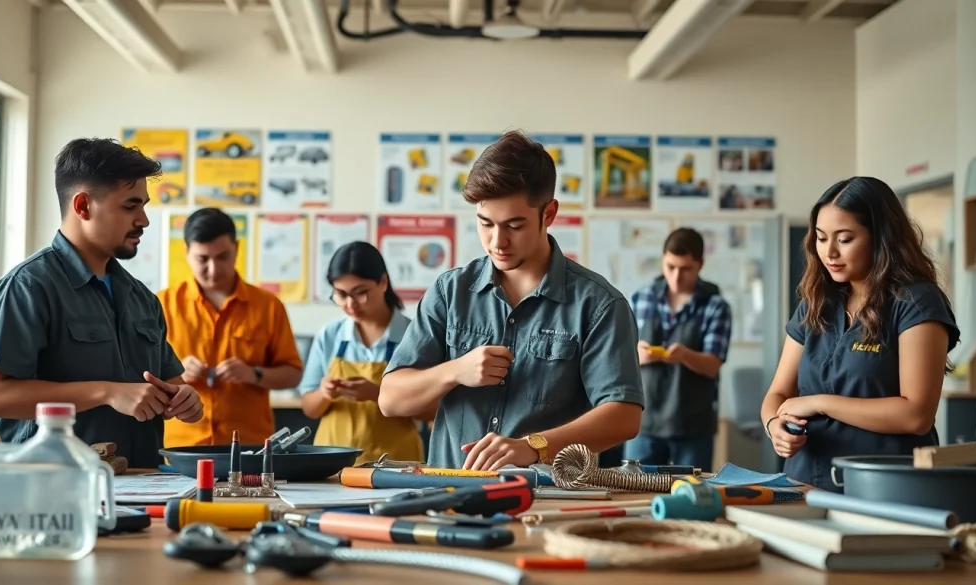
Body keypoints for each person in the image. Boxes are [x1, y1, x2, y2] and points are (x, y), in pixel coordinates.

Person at [378, 130, 645, 470]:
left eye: (514, 226)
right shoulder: (450, 292)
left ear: (549, 214)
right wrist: (455, 371)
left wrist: (534, 447)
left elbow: (624, 416)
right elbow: (390, 399)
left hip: (547, 496)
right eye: (485, 224)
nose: (497, 242)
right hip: (449, 491)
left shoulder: (599, 305)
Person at [0, 138, 204, 469]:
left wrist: (184, 399)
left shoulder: (141, 297)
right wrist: (107, 393)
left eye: (144, 206)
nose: (144, 220)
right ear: (83, 206)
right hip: (58, 487)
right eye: (130, 206)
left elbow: (172, 385)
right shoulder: (28, 287)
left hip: (144, 486)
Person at [760, 176, 959, 492]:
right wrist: (774, 425)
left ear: (881, 238)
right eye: (821, 238)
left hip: (883, 488)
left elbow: (916, 414)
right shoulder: (816, 302)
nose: (829, 252)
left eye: (845, 239)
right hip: (805, 484)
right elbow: (777, 395)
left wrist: (820, 403)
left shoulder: (916, 302)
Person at [157, 208, 304, 448]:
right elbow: (141, 378)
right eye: (202, 259)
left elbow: (293, 374)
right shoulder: (161, 305)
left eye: (223, 257)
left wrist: (254, 374)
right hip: (180, 446)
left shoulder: (268, 306)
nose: (214, 269)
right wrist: (177, 374)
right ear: (187, 253)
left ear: (237, 249)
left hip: (251, 446)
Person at [297, 241, 426, 465]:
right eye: (341, 294)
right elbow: (310, 408)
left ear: (383, 282)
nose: (350, 304)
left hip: (397, 464)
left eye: (360, 293)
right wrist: (324, 393)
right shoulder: (330, 335)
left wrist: (378, 394)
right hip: (334, 464)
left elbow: (431, 412)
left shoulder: (413, 336)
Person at [625, 228, 732, 471]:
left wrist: (685, 355)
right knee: (634, 487)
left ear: (700, 265)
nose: (676, 276)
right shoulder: (640, 298)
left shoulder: (716, 307)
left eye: (686, 269)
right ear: (663, 259)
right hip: (643, 422)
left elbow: (713, 364)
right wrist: (637, 355)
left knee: (692, 489)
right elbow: (620, 356)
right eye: (670, 266)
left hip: (693, 426)